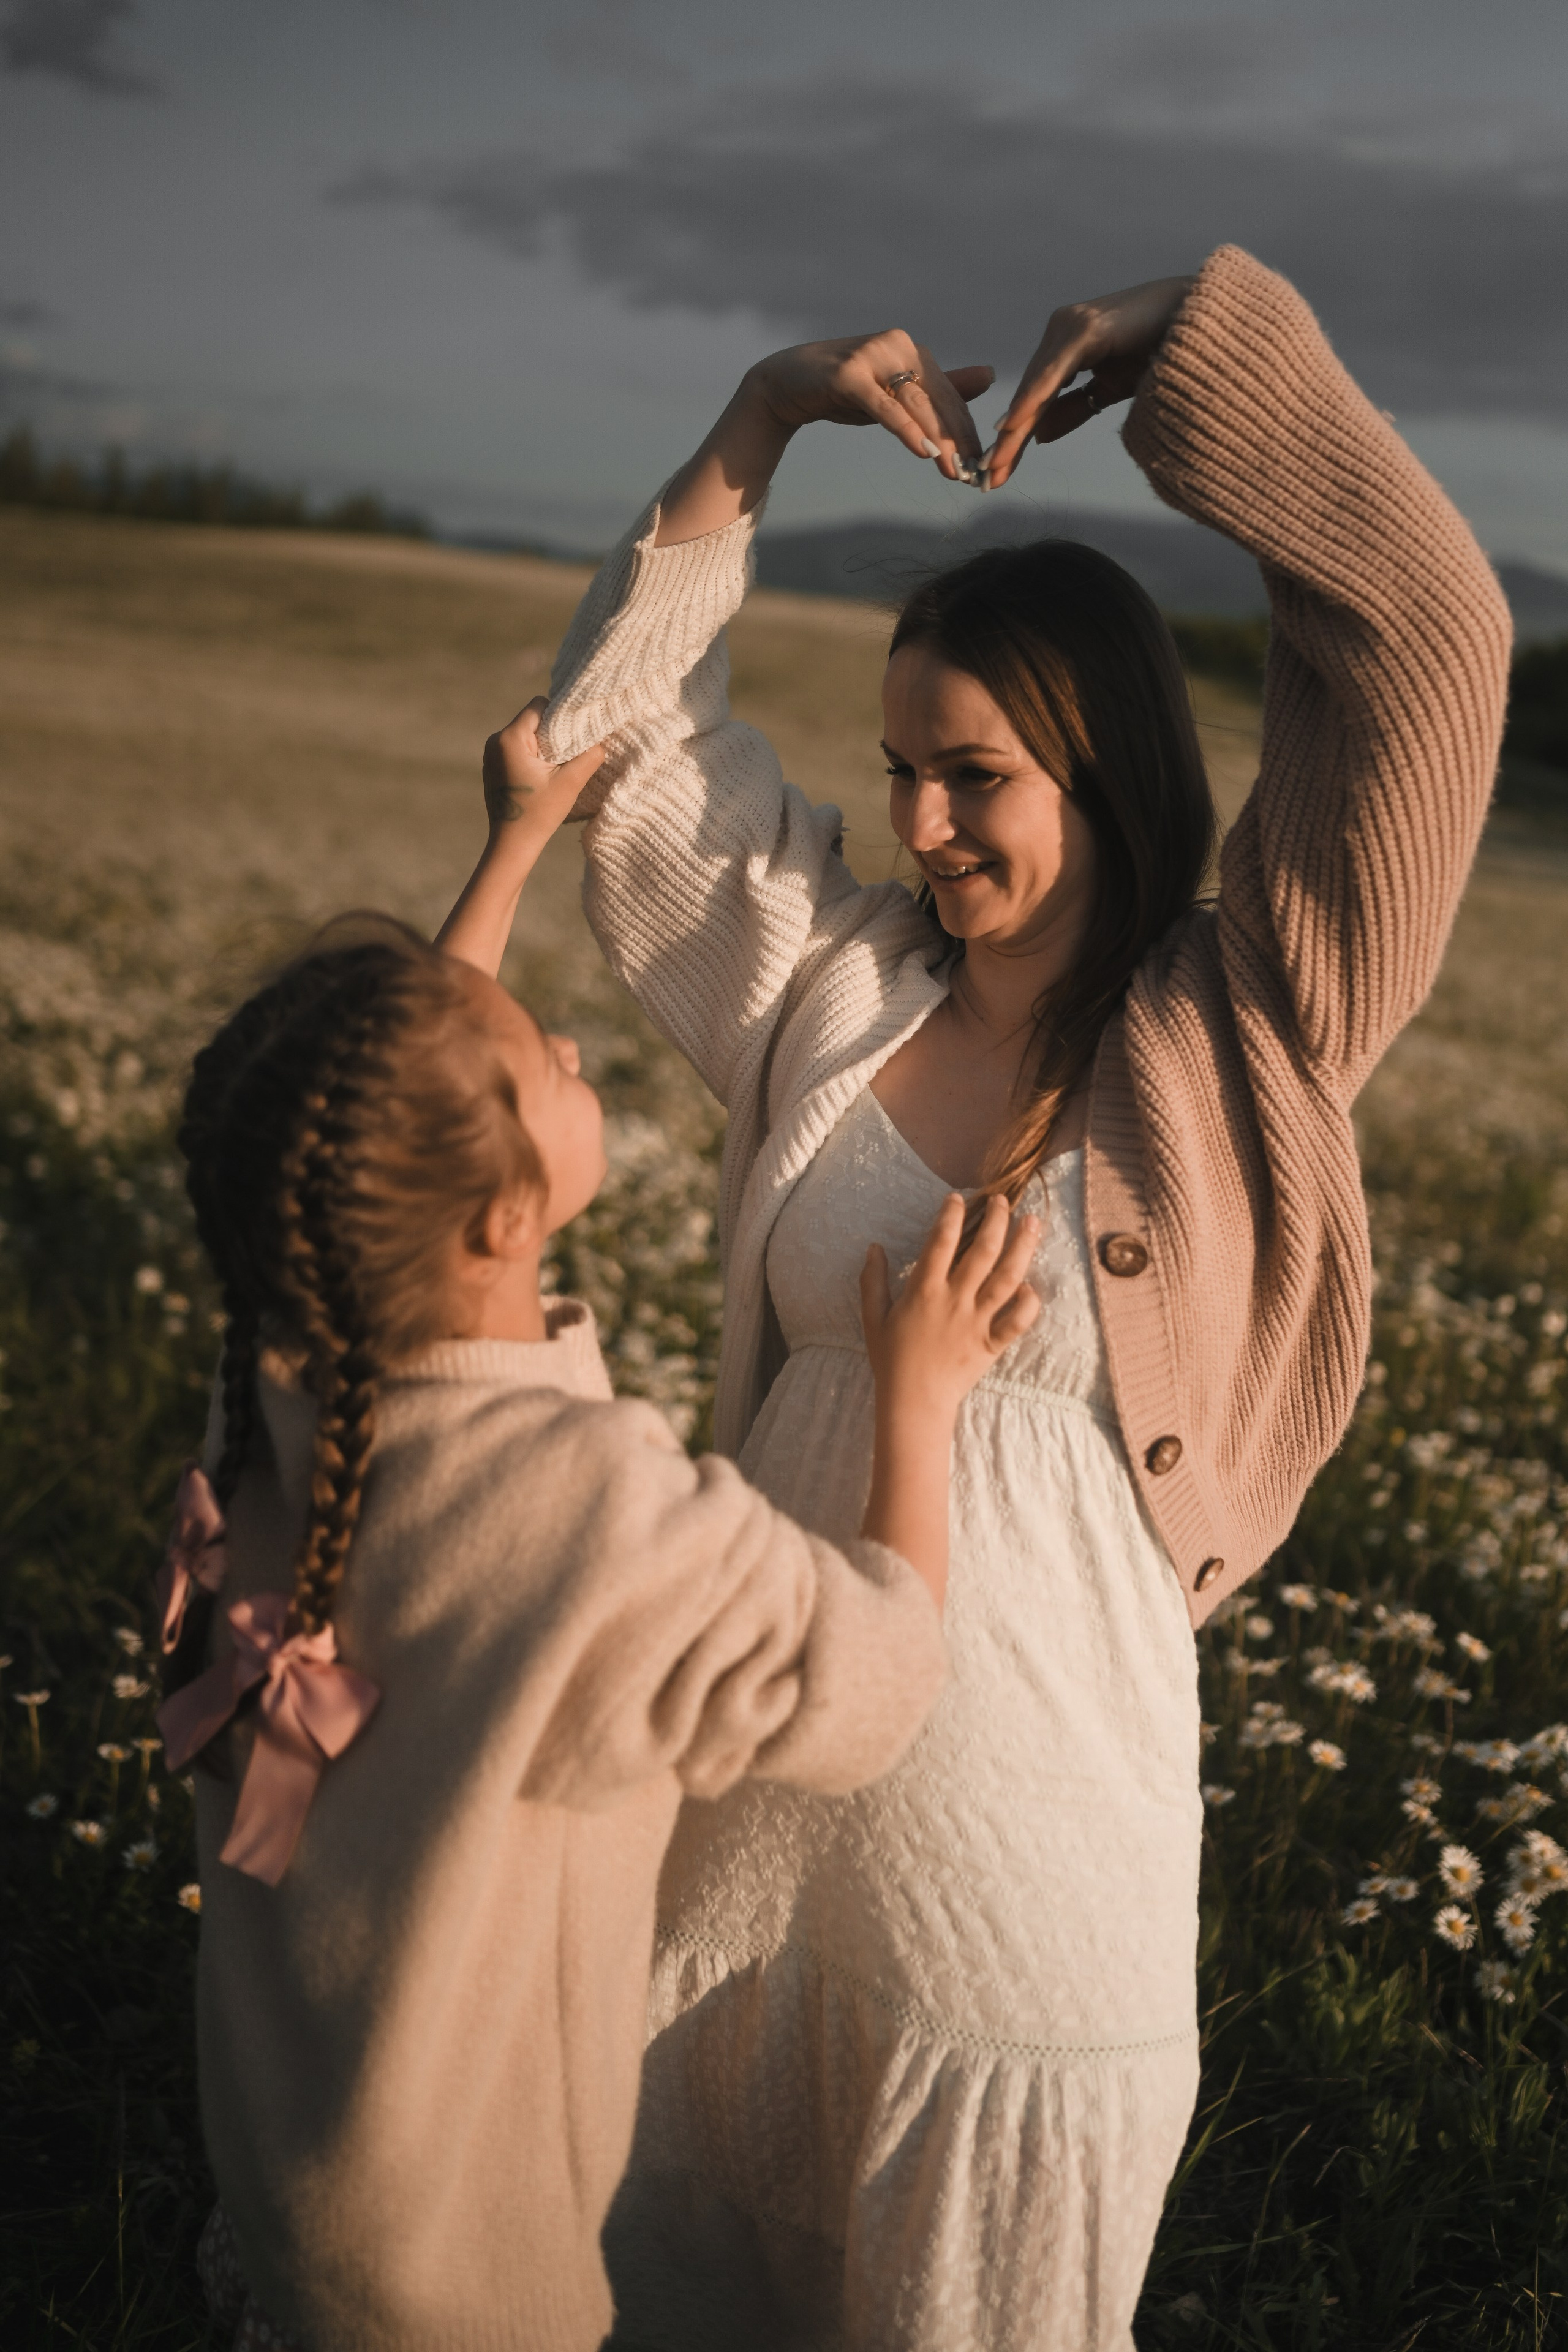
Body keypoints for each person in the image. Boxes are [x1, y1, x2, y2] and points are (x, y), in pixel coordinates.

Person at [485, 246, 1509, 2348]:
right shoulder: (828, 999)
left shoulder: (1252, 1032)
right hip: (744, 1854)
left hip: (1030, 1893)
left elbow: (1432, 645)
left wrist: (1195, 353)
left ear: (1104, 769)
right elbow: (622, 756)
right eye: (903, 771)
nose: (927, 827)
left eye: (979, 778)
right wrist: (755, 424)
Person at [157, 704, 1042, 2352]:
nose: (562, 1041)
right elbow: (874, 1688)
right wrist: (920, 1398)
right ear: (503, 1216)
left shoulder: (272, 1400)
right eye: (534, 1063)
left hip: (291, 2193)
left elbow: (362, 1124)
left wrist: (512, 844)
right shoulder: (597, 1517)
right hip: (474, 2277)